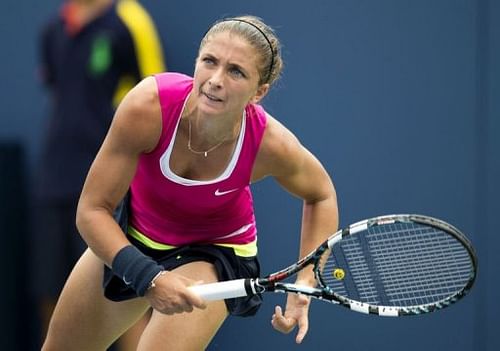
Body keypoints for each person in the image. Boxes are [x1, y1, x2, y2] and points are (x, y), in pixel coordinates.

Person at [42, 15, 338, 350]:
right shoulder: (148, 107)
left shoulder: (271, 145)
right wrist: (149, 276)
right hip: (136, 232)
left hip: (212, 252)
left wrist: (304, 286)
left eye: (236, 71)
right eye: (209, 62)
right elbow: (92, 210)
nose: (215, 80)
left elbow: (321, 194)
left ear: (259, 92)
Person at [32, 0, 165, 349]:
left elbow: (156, 99)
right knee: (53, 290)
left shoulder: (130, 21)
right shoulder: (53, 29)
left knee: (123, 294)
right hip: (56, 178)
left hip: (113, 184)